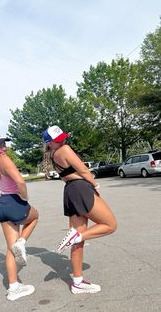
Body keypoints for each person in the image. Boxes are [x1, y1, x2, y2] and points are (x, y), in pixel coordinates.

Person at [42, 125, 117, 294]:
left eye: (62, 137)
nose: (63, 140)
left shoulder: (53, 155)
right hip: (81, 190)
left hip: (70, 191)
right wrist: (96, 184)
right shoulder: (65, 149)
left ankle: (77, 282)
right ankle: (76, 236)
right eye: (58, 139)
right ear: (50, 142)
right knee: (110, 224)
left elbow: (68, 175)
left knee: (78, 239)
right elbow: (83, 169)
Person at [0, 133, 39, 301]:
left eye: (4, 144)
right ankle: (22, 243)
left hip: (3, 206)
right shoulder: (4, 160)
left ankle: (14, 288)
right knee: (35, 216)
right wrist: (25, 198)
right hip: (14, 202)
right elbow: (20, 182)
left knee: (10, 248)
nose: (4, 148)